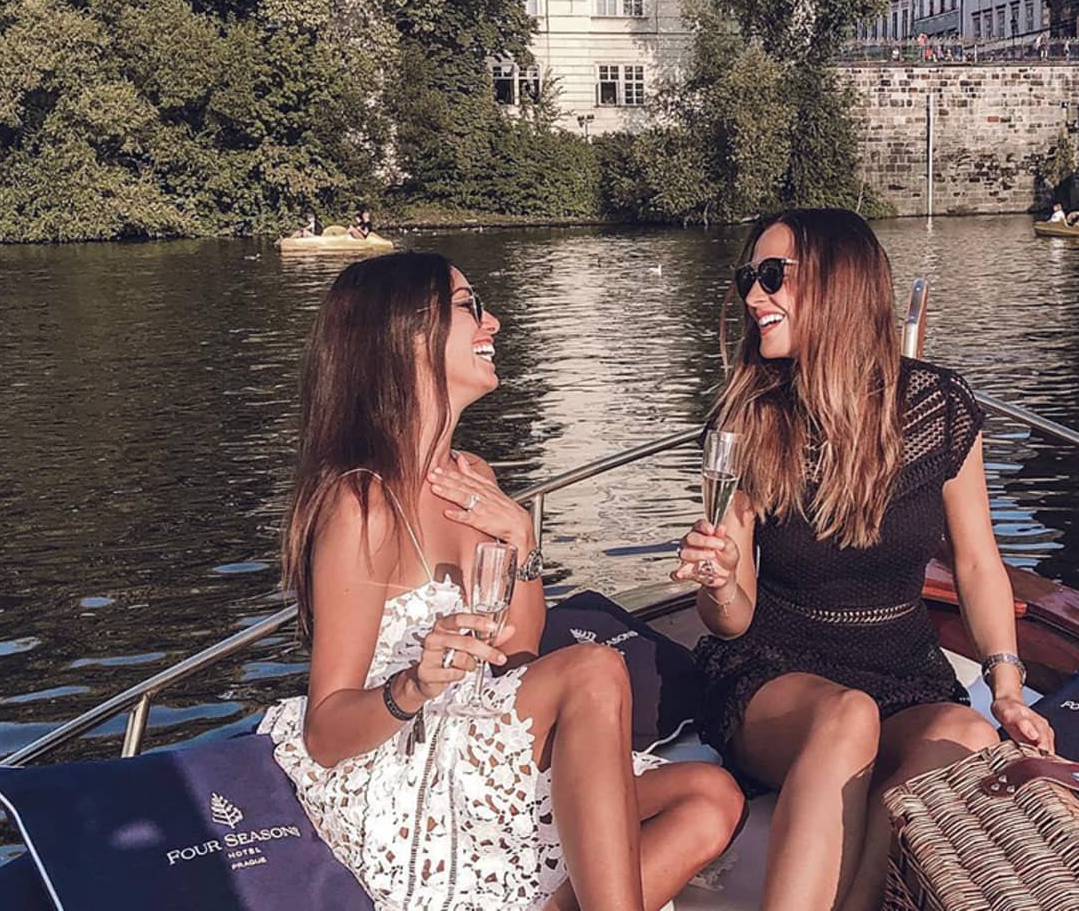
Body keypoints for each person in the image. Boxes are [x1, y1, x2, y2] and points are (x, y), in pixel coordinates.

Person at [262, 252, 741, 911]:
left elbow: (517, 654)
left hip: (476, 732)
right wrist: (414, 684)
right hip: (398, 755)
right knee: (596, 670)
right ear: (408, 336)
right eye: (470, 306)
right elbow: (325, 731)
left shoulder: (473, 475)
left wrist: (523, 540)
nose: (495, 320)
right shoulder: (361, 503)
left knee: (712, 799)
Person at [674, 209, 1054, 911]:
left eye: (771, 277)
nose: (754, 298)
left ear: (840, 284)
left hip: (904, 672)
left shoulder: (940, 407)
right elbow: (731, 620)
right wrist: (721, 578)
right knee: (847, 717)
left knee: (967, 735)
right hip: (776, 674)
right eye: (747, 281)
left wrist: (1005, 687)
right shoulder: (747, 417)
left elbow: (976, 562)